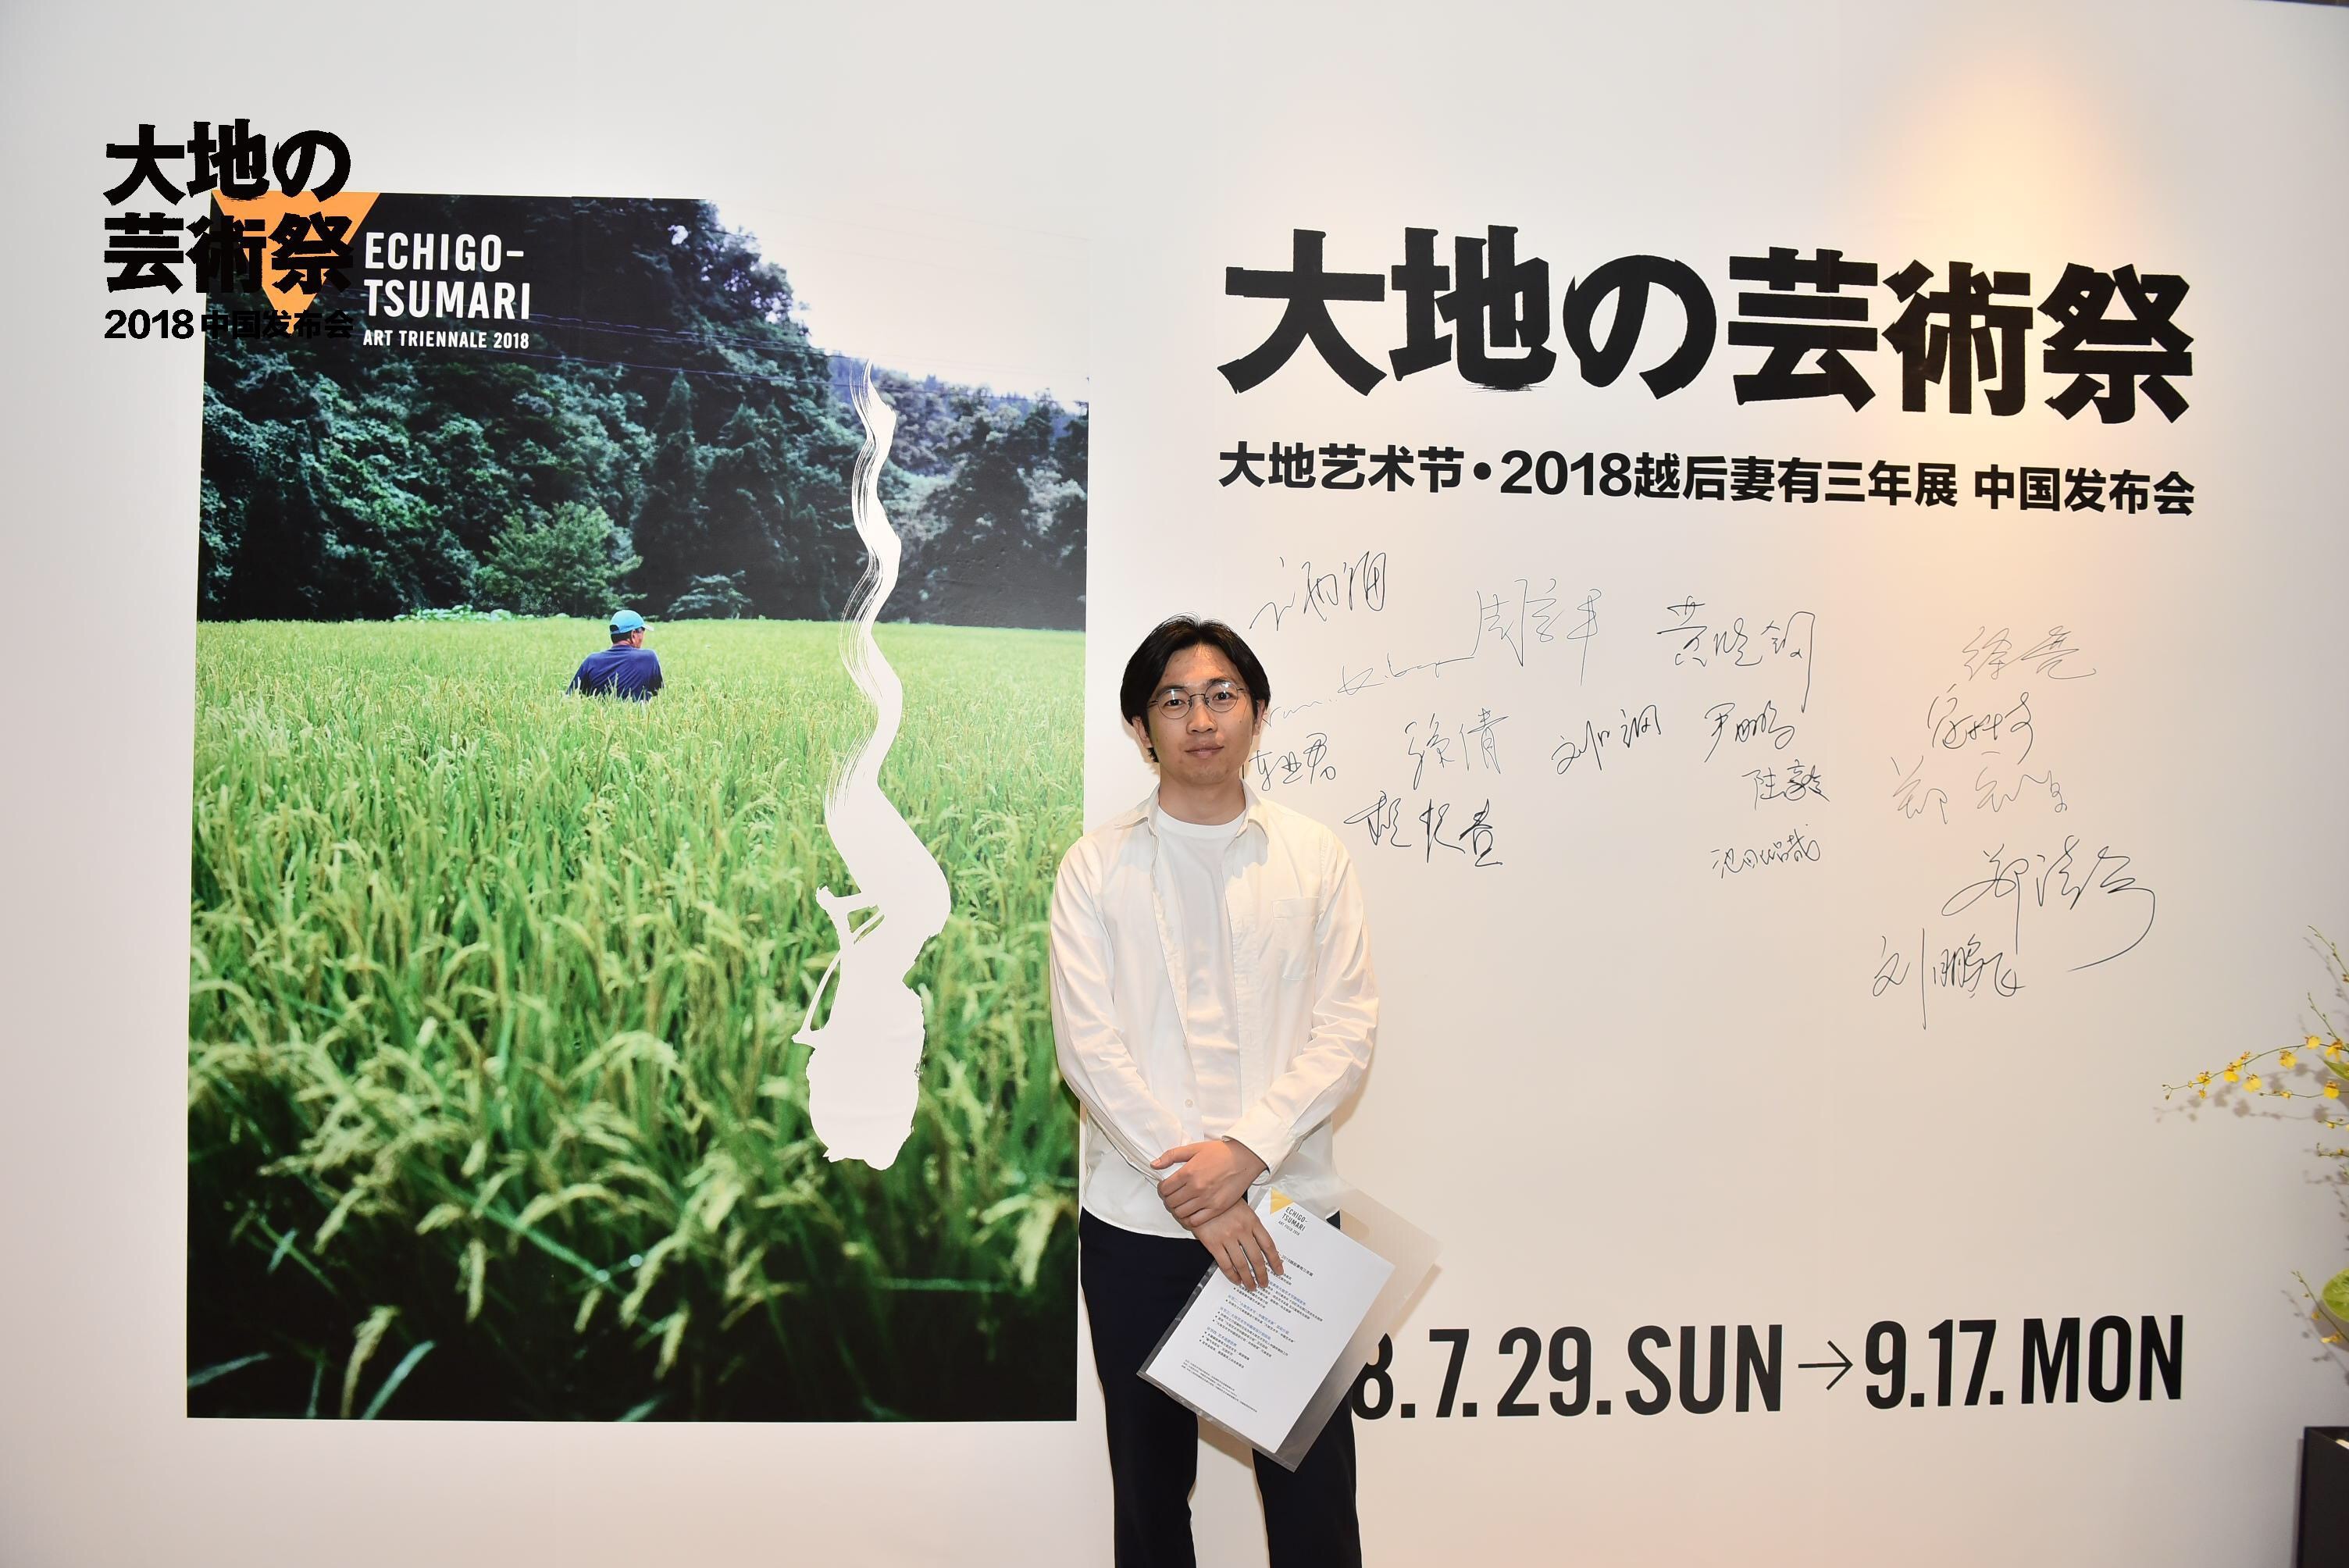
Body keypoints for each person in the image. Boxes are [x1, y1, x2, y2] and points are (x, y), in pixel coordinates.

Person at [1050, 615, 1378, 1568]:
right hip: (1137, 1226)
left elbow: (1346, 1028)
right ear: (1139, 727)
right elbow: (1088, 1048)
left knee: (1315, 1499)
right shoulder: (1094, 866)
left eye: (1221, 695)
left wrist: (1241, 1158)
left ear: (1257, 713)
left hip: (1288, 1221)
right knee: (1151, 1499)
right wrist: (1198, 1190)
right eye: (1173, 699)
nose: (1200, 719)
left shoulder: (1314, 856)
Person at [567, 610, 663, 700]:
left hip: (599, 712)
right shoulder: (649, 658)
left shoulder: (591, 661)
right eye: (643, 631)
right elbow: (657, 693)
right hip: (636, 713)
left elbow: (571, 696)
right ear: (633, 634)